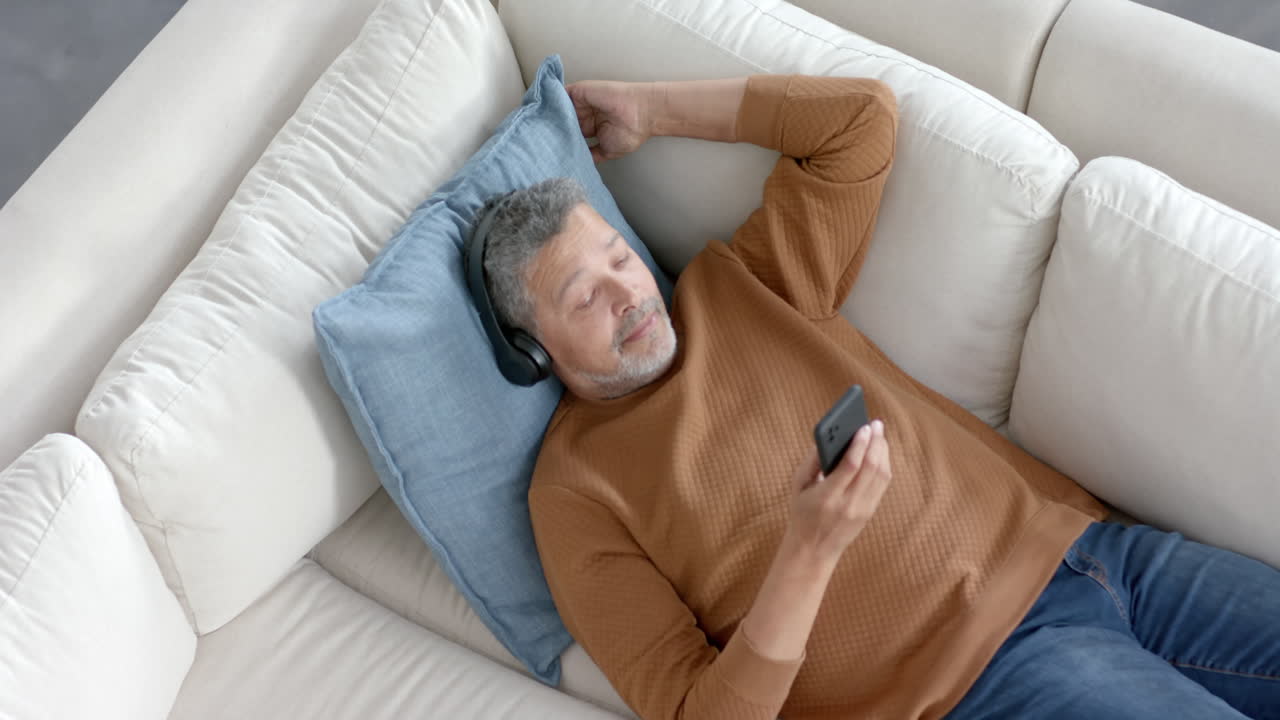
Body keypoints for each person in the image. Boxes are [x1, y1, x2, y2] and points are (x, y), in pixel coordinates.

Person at [473, 74, 1280, 719]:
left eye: (620, 257)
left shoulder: (737, 285)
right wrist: (809, 552)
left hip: (1101, 553)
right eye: (585, 296)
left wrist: (652, 108)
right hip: (980, 680)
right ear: (533, 351)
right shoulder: (574, 494)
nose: (629, 294)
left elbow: (859, 122)